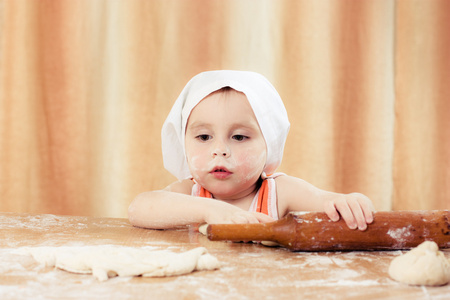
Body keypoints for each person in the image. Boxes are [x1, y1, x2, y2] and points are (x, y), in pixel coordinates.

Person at [128, 70, 374, 231]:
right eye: (204, 136)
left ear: (270, 144)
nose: (220, 150)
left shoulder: (280, 193)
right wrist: (211, 210)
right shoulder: (190, 193)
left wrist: (347, 201)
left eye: (239, 137)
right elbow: (140, 207)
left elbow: (326, 201)